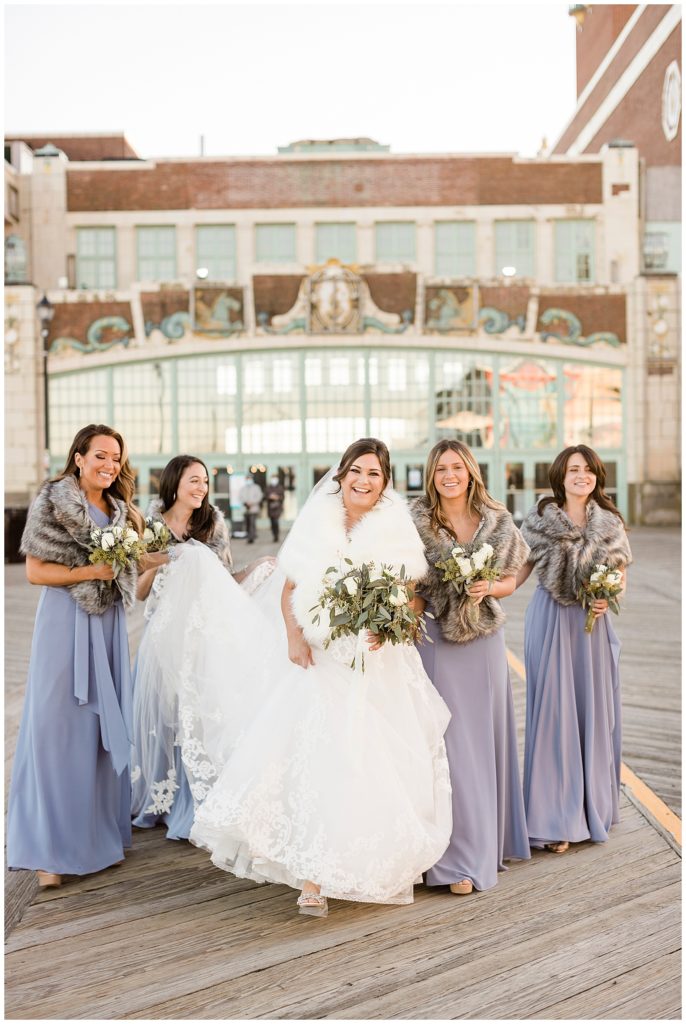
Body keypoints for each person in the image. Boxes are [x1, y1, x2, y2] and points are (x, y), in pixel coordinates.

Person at [189, 438, 452, 916]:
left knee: (367, 760)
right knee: (315, 757)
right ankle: (311, 877)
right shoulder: (317, 521)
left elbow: (413, 596)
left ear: (385, 480)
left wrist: (392, 628)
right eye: (355, 471)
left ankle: (356, 860)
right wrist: (294, 636)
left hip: (375, 662)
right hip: (323, 657)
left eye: (373, 473)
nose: (363, 481)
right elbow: (289, 586)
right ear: (341, 475)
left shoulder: (397, 527)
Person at [7, 424, 164, 888]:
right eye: (100, 455)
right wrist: (96, 568)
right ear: (78, 457)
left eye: (115, 457)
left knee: (99, 730)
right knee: (55, 728)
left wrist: (175, 556)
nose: (109, 464)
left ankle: (97, 839)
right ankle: (48, 852)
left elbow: (134, 566)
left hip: (109, 625)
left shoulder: (121, 512)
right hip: (64, 625)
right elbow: (35, 571)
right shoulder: (53, 501)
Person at [131, 455, 272, 841]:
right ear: (175, 483)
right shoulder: (152, 526)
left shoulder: (214, 523)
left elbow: (225, 582)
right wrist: (168, 560)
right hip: (163, 633)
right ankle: (162, 797)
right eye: (194, 480)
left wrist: (258, 566)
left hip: (203, 636)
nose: (201, 488)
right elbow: (140, 590)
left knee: (197, 717)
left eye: (205, 482)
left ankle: (194, 802)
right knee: (165, 717)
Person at [411, 439, 531, 895]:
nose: (449, 475)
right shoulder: (416, 520)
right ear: (431, 473)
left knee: (481, 743)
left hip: (483, 641)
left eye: (457, 467)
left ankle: (477, 849)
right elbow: (411, 582)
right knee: (446, 745)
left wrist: (492, 589)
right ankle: (444, 858)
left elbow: (517, 572)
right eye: (441, 468)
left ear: (470, 472)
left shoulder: (496, 519)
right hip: (435, 639)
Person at [517, 445, 632, 854]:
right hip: (550, 621)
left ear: (597, 476)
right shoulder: (540, 520)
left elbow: (619, 575)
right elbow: (518, 573)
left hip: (592, 628)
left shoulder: (611, 522)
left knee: (593, 713)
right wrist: (480, 589)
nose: (581, 475)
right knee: (555, 715)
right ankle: (557, 818)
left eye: (587, 469)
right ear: (560, 477)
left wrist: (608, 595)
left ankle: (591, 807)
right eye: (573, 469)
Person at [238, 475, 263, 543]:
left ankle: (251, 537)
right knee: (247, 524)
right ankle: (249, 535)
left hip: (253, 508)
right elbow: (240, 497)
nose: (248, 480)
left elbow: (259, 496)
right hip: (246, 509)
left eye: (250, 479)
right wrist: (245, 502)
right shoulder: (243, 488)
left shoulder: (256, 487)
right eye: (247, 479)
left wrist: (252, 502)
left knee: (252, 523)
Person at [264, 474, 285, 542]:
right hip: (271, 508)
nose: (274, 480)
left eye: (275, 478)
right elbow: (265, 497)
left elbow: (283, 497)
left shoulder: (280, 487)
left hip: (278, 507)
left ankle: (276, 535)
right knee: (272, 522)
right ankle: (274, 534)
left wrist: (277, 497)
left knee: (276, 521)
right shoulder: (268, 487)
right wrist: (270, 497)